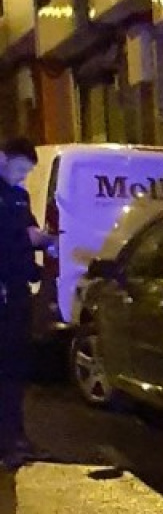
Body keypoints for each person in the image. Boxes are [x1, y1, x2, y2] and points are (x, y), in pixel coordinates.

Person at [0, 137, 49, 470]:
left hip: (17, 293)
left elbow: (28, 231)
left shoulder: (19, 197)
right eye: (19, 169)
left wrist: (41, 241)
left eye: (27, 172)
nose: (22, 177)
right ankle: (6, 444)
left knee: (16, 371)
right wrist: (24, 238)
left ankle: (17, 438)